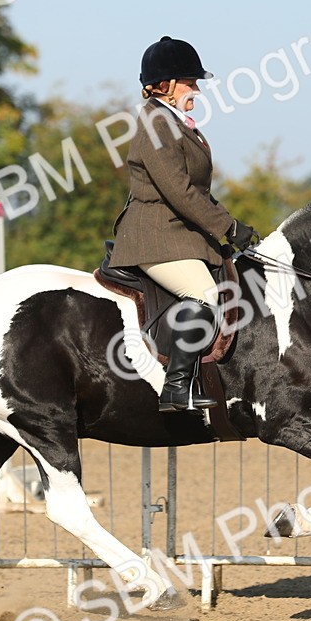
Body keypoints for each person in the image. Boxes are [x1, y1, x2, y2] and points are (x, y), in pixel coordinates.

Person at [109, 36, 258, 412]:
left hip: (177, 235)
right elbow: (179, 192)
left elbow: (197, 191)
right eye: (191, 83)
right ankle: (176, 387)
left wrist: (232, 226)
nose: (196, 89)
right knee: (205, 296)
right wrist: (228, 227)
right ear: (167, 85)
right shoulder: (157, 123)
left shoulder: (174, 123)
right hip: (155, 237)